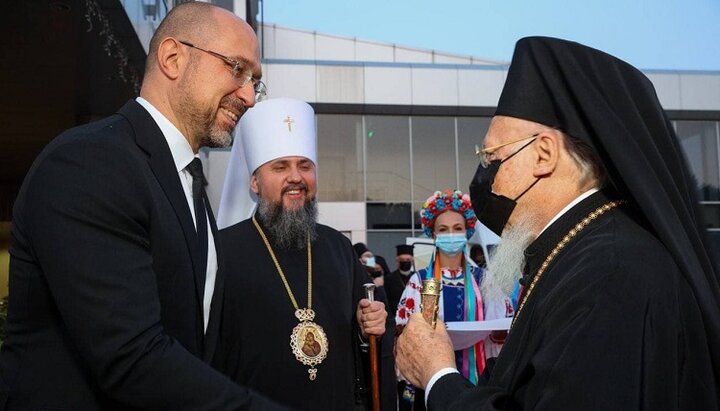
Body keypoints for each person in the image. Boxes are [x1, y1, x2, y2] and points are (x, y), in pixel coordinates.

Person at [396, 36, 720, 410]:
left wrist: (438, 376)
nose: (486, 176)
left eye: (491, 155)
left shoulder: (610, 274)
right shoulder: (576, 252)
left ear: (544, 154)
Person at [0, 3, 285, 409]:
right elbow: (130, 357)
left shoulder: (187, 182)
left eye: (254, 81)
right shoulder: (91, 162)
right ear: (173, 58)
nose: (248, 96)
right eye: (236, 69)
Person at [213, 97, 387, 410]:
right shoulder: (221, 251)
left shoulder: (339, 249)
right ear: (254, 182)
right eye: (280, 167)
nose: (296, 177)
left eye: (305, 166)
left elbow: (368, 337)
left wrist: (368, 325)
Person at [395, 190, 511, 410]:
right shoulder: (419, 282)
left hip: (477, 377)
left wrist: (498, 334)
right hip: (429, 377)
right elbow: (404, 334)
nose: (451, 234)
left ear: (467, 232)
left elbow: (502, 327)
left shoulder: (485, 281)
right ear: (433, 234)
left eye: (457, 228)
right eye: (443, 229)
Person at [384, 244, 416, 315]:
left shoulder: (417, 277)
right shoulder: (388, 279)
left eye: (408, 260)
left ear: (412, 261)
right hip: (394, 316)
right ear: (397, 261)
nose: (405, 262)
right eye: (402, 260)